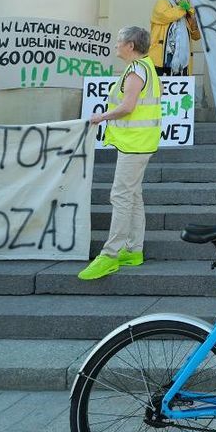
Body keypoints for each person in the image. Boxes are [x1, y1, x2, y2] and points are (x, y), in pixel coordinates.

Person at [80, 26, 161, 281]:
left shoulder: (137, 70)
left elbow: (128, 107)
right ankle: (133, 250)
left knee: (121, 196)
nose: (116, 45)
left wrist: (100, 117)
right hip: (138, 142)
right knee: (133, 196)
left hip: (135, 143)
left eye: (119, 41)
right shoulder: (143, 66)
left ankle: (110, 255)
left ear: (130, 46)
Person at [149, 0, 199, 77]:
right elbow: (165, 16)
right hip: (162, 55)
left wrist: (194, 18)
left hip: (181, 57)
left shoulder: (187, 10)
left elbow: (196, 36)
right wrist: (184, 8)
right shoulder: (162, 3)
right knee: (158, 86)